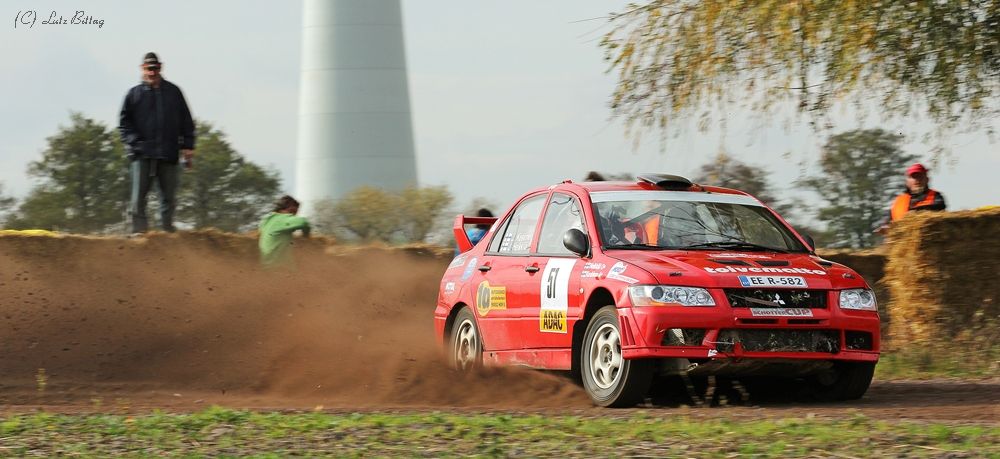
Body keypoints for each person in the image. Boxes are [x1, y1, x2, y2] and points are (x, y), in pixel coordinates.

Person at [119, 52, 196, 235]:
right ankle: (139, 232)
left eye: (154, 68)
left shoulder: (174, 92)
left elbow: (187, 120)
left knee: (168, 197)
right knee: (138, 197)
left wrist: (188, 145)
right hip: (142, 154)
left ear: (160, 67)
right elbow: (124, 124)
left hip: (168, 153)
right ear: (143, 69)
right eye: (148, 69)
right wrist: (135, 143)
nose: (151, 72)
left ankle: (167, 230)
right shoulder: (133, 94)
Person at [876, 163, 946, 234]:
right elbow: (888, 221)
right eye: (914, 177)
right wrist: (884, 226)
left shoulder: (935, 195)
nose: (917, 180)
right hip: (902, 242)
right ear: (907, 181)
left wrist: (916, 210)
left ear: (927, 179)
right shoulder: (898, 200)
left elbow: (940, 206)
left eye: (920, 176)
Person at [258, 195, 312, 268]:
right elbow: (303, 222)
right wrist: (306, 236)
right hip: (281, 268)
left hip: (266, 268)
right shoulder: (281, 218)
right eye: (291, 211)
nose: (293, 215)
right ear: (281, 209)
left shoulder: (265, 221)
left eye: (295, 212)